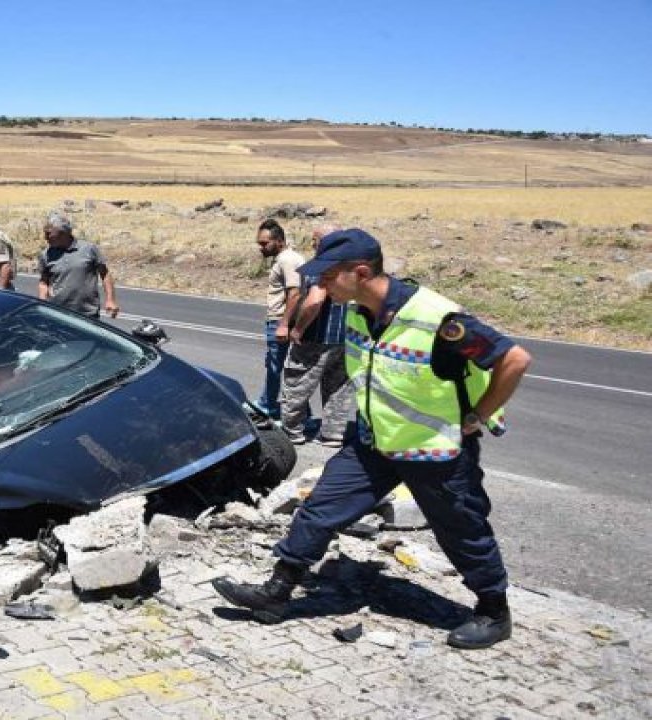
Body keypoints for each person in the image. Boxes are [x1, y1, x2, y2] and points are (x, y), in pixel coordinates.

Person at [212, 229, 532, 650]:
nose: (320, 285)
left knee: (461, 528)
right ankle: (276, 592)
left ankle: (494, 611)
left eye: (328, 277)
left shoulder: (438, 319)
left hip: (434, 450)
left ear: (360, 272)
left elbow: (514, 359)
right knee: (320, 507)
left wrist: (479, 415)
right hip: (373, 444)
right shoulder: (360, 311)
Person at [278, 223, 353, 446]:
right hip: (346, 340)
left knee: (296, 384)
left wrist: (298, 328)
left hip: (316, 339)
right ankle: (333, 434)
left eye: (315, 239)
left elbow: (315, 300)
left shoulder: (322, 267)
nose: (312, 244)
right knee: (338, 388)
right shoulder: (351, 267)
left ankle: (293, 431)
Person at [255, 218, 304, 419]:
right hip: (281, 320)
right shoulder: (287, 258)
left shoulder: (287, 260)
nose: (261, 247)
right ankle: (269, 404)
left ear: (279, 241)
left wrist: (283, 324)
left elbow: (295, 293)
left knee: (279, 368)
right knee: (280, 367)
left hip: (280, 321)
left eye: (265, 243)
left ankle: (270, 407)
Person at [37, 212, 119, 319]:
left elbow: (105, 274)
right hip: (57, 313)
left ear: (63, 233)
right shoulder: (46, 255)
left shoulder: (89, 249)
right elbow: (43, 282)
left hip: (87, 314)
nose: (45, 237)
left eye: (48, 233)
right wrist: (43, 303)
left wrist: (110, 300)